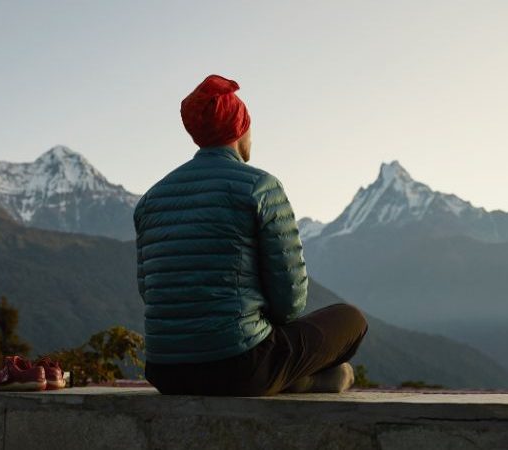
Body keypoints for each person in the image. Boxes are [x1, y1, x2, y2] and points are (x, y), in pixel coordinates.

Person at [133, 74, 368, 396]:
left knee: (257, 360)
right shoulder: (260, 187)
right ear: (240, 129)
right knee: (351, 319)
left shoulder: (150, 200)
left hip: (165, 371)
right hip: (239, 364)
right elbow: (290, 301)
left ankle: (288, 378)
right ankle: (305, 379)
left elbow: (148, 290)